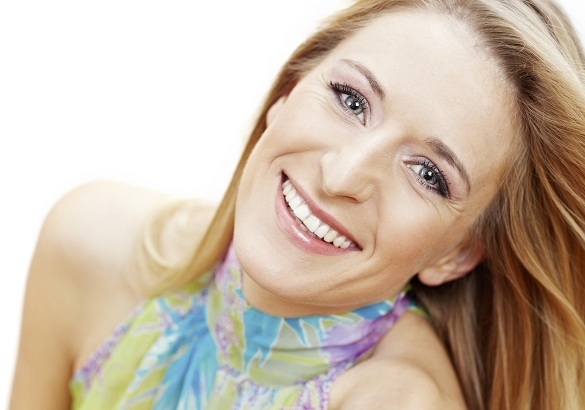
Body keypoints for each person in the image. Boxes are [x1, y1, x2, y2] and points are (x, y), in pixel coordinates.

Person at [10, 0, 585, 408]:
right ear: (286, 95)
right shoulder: (89, 242)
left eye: (428, 174)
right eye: (351, 99)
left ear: (456, 254)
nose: (342, 174)